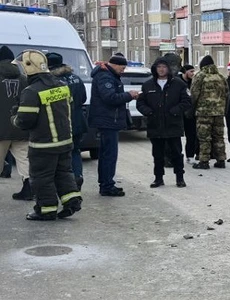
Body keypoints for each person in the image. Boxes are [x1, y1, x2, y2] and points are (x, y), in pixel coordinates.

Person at [11, 51, 81, 221]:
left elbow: (25, 121)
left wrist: (14, 117)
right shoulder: (62, 85)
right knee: (63, 173)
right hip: (65, 141)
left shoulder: (31, 91)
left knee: (41, 177)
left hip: (43, 145)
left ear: (29, 67)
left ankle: (46, 210)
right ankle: (72, 201)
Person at [136, 56, 192, 188]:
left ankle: (180, 178)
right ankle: (158, 178)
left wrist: (175, 111)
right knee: (158, 154)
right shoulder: (147, 85)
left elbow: (187, 102)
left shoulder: (178, 84)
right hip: (155, 125)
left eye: (164, 67)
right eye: (159, 67)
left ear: (168, 69)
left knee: (176, 153)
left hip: (173, 125)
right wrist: (148, 112)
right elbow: (140, 103)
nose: (161, 69)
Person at [89, 53, 138, 197]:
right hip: (108, 121)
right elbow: (110, 98)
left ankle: (106, 183)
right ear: (115, 65)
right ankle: (107, 185)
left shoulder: (108, 75)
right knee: (109, 155)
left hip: (109, 120)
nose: (123, 71)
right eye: (122, 68)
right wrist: (129, 95)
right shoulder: (105, 77)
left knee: (107, 154)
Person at [48, 52, 88, 188]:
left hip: (62, 123)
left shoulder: (52, 81)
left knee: (60, 155)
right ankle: (77, 176)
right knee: (75, 151)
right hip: (78, 121)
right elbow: (83, 98)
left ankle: (65, 183)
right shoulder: (75, 78)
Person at [0, 45, 32, 200]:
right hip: (20, 126)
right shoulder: (24, 78)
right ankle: (29, 188)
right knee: (25, 159)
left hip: (1, 129)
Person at [191, 55, 228, 170]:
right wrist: (224, 110)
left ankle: (204, 161)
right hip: (219, 112)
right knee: (219, 137)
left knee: (204, 138)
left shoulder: (200, 76)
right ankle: (221, 160)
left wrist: (191, 109)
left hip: (203, 113)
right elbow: (227, 95)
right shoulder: (221, 77)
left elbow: (194, 94)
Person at [179, 64, 199, 161]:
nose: (193, 73)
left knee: (191, 135)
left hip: (190, 114)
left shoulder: (194, 83)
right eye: (191, 71)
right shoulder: (177, 82)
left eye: (193, 71)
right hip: (179, 113)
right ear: (185, 72)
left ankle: (190, 156)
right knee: (176, 136)